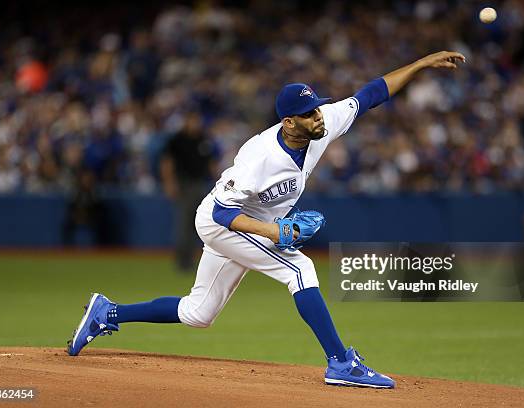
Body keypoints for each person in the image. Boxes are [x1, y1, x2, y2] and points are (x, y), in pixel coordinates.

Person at [67, 51, 466, 389]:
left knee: (198, 313)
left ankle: (107, 312)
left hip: (247, 224)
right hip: (220, 222)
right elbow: (223, 213)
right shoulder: (258, 157)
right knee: (300, 268)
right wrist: (274, 231)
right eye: (309, 114)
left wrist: (422, 64)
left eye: (317, 108)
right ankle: (340, 362)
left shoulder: (322, 124)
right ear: (289, 122)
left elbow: (370, 95)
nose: (319, 117)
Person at [160, 111, 219, 270]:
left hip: (202, 184)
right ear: (186, 121)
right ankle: (183, 262)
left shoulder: (203, 139)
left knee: (202, 224)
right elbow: (167, 162)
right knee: (184, 225)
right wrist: (170, 183)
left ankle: (199, 260)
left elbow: (211, 163)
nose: (195, 124)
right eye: (192, 120)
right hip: (184, 184)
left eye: (197, 121)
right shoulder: (178, 140)